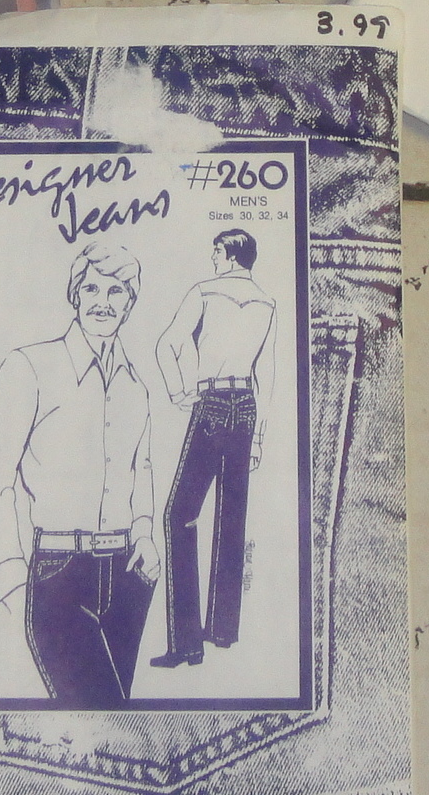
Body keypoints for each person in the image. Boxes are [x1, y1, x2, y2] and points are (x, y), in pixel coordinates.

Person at [0, 240, 160, 707]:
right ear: (74, 295)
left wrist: (144, 534)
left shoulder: (136, 385)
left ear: (130, 302)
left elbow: (141, 467)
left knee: (114, 724)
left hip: (128, 576)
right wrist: (10, 578)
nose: (102, 302)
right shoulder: (29, 367)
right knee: (99, 710)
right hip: (59, 574)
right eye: (91, 288)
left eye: (116, 291)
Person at [149, 230, 275, 670]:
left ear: (231, 256)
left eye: (216, 252)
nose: (213, 258)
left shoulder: (204, 291)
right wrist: (260, 437)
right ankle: (222, 630)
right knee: (232, 516)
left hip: (212, 403)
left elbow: (166, 343)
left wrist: (178, 391)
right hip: (247, 408)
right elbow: (267, 373)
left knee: (179, 515)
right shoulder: (267, 303)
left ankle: (187, 645)